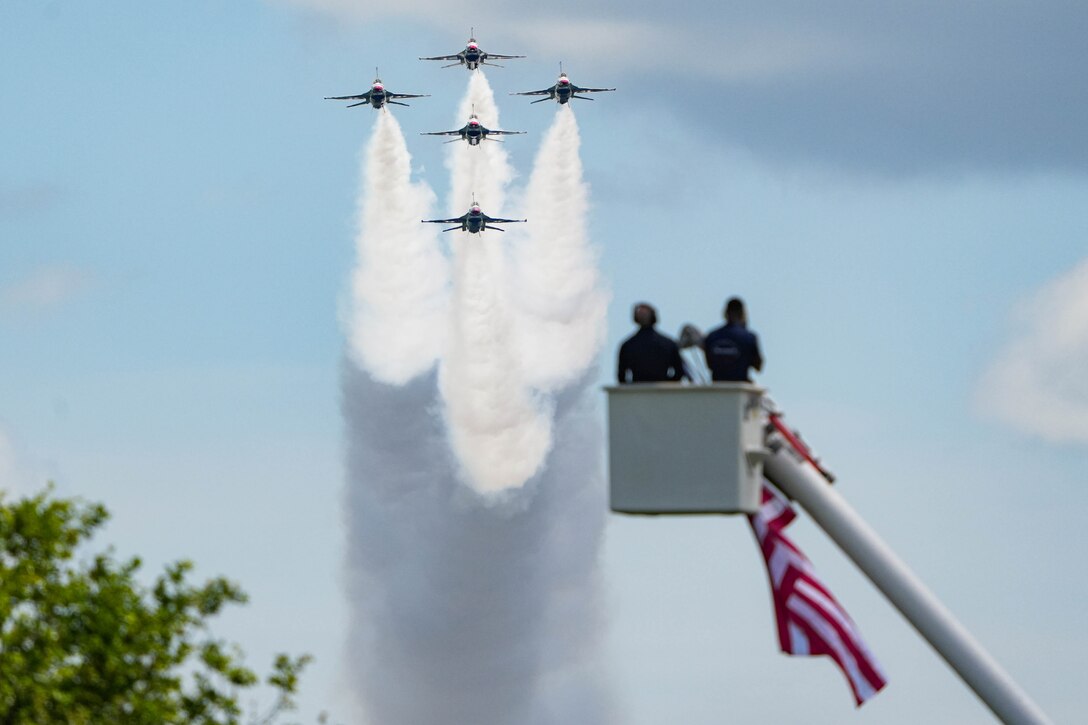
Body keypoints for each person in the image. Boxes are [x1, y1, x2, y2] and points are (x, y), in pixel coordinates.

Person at [617, 303, 687, 383]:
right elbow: (679, 373)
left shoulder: (627, 346)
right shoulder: (669, 344)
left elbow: (621, 377)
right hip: (663, 392)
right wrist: (666, 384)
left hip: (637, 392)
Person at [704, 297, 763, 382]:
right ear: (743, 314)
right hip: (740, 389)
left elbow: (710, 365)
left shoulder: (711, 337)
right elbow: (758, 367)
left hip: (718, 388)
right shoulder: (749, 337)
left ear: (725, 314)